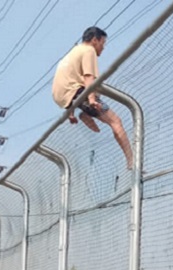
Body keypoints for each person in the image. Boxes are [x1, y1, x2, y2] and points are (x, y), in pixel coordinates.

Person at [52, 26, 134, 170]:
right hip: (77, 93)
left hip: (63, 96)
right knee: (116, 122)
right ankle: (131, 161)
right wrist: (91, 100)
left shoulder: (73, 51)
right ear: (95, 40)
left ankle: (84, 113)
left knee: (92, 93)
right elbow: (88, 77)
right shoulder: (89, 50)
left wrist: (70, 112)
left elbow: (68, 79)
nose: (103, 47)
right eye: (103, 43)